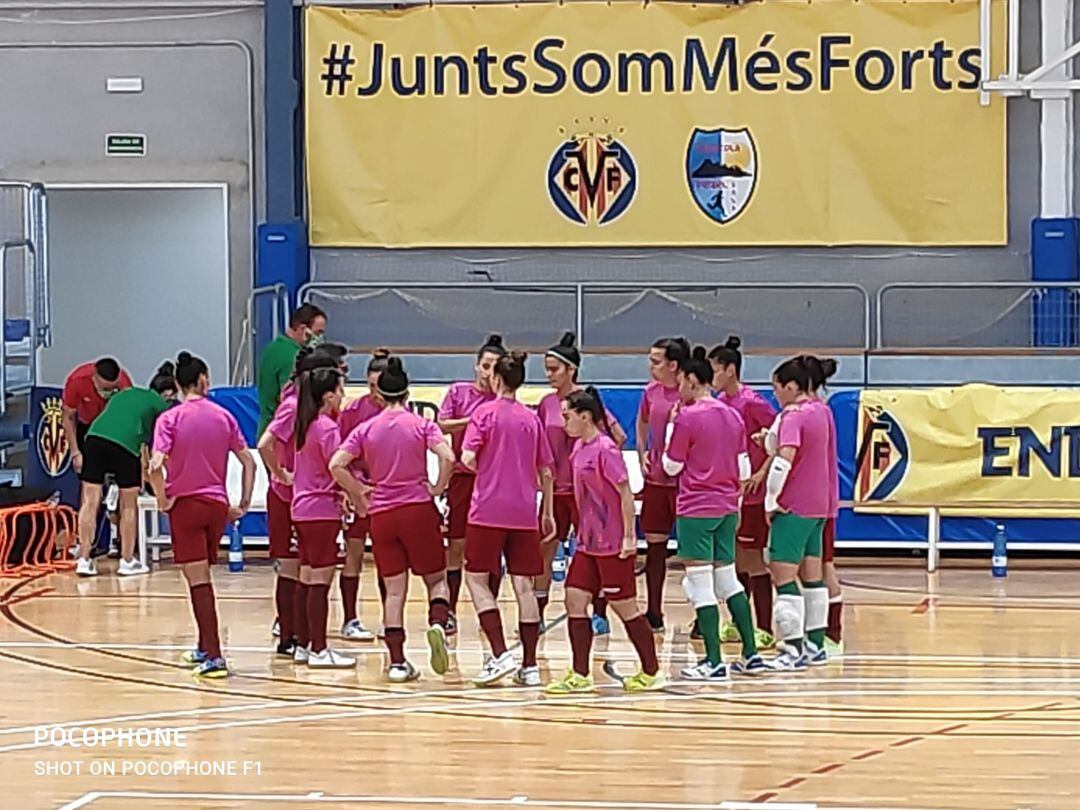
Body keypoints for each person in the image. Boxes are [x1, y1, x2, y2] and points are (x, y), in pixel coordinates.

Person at [330, 357, 456, 682]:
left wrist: (359, 492)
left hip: (382, 513)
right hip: (417, 508)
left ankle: (398, 662)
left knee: (395, 590)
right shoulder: (421, 424)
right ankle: (438, 623)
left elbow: (336, 465)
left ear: (381, 395)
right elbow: (448, 456)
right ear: (407, 392)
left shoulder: (365, 428)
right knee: (436, 580)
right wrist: (438, 487)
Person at [545, 388, 664, 695]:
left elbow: (624, 492)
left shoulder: (605, 450)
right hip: (587, 543)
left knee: (624, 607)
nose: (563, 422)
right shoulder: (578, 450)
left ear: (585, 416)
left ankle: (651, 671)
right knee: (574, 599)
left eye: (567, 415)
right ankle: (580, 673)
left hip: (612, 544)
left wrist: (628, 536)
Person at [147, 353, 254, 678]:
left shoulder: (170, 419)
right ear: (204, 379)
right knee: (202, 576)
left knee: (198, 582)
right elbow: (248, 461)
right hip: (216, 506)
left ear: (178, 385)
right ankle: (204, 646)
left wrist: (163, 498)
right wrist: (243, 503)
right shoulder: (224, 416)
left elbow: (154, 466)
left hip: (187, 507)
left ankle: (216, 655)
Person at [662, 347, 763, 680]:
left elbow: (671, 465)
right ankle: (751, 653)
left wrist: (671, 428)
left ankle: (714, 662)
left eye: (681, 382)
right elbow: (744, 466)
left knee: (700, 584)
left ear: (692, 380)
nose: (679, 389)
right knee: (728, 579)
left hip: (696, 507)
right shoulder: (732, 415)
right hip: (727, 507)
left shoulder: (687, 418)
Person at [461, 351, 556, 687]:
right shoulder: (531, 419)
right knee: (524, 586)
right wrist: (546, 511)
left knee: (475, 578)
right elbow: (546, 469)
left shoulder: (483, 414)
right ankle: (529, 665)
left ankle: (500, 653)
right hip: (523, 512)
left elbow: (468, 457)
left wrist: (489, 469)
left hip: (487, 509)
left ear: (496, 379)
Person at [257, 344, 349, 657]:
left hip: (302, 494)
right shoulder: (295, 406)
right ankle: (292, 634)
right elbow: (266, 443)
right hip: (293, 496)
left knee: (303, 569)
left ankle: (301, 637)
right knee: (295, 568)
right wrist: (281, 473)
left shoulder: (311, 410)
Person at [536, 332, 626, 633]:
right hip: (554, 490)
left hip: (586, 494)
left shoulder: (585, 401)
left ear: (571, 370)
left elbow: (617, 436)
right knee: (545, 550)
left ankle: (599, 613)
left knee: (592, 551)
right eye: (546, 369)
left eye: (554, 369)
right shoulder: (546, 404)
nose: (549, 375)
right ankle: (536, 613)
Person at [763, 355, 836, 671]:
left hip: (793, 505)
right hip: (819, 506)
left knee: (782, 575)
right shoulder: (823, 410)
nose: (775, 395)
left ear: (791, 386)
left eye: (777, 388)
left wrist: (770, 498)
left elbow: (783, 461)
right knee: (813, 575)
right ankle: (815, 644)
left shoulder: (793, 415)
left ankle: (790, 648)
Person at [74, 364, 177, 577]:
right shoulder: (162, 407)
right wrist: (159, 492)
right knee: (128, 505)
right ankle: (128, 560)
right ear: (169, 394)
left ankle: (84, 559)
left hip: (93, 438)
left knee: (90, 501)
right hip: (125, 445)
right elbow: (153, 453)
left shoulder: (126, 392)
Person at [710, 336, 778, 650]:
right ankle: (741, 622)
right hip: (729, 493)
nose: (712, 377)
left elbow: (778, 443)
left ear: (731, 370)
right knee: (735, 560)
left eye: (715, 370)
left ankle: (764, 627)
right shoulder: (721, 404)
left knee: (752, 560)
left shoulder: (754, 403)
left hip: (753, 494)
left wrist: (761, 474)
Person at [437, 334, 504, 630]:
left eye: (495, 367)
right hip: (462, 479)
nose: (489, 372)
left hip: (492, 481)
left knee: (490, 547)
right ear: (477, 366)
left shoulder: (502, 401)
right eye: (485, 365)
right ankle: (449, 610)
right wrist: (472, 421)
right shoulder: (458, 392)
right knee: (456, 544)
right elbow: (442, 424)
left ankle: (488, 609)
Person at [291, 366, 353, 669]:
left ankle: (303, 644)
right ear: (329, 396)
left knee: (306, 575)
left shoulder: (306, 424)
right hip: (320, 510)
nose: (343, 396)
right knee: (321, 579)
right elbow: (336, 467)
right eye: (341, 390)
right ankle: (319, 648)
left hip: (301, 509)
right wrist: (357, 491)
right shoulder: (327, 428)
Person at [334, 348, 392, 642]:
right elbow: (339, 455)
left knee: (387, 558)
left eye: (379, 385)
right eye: (370, 385)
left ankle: (389, 619)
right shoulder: (353, 411)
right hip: (359, 492)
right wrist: (350, 488)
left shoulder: (398, 414)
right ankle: (349, 618)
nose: (375, 392)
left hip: (387, 494)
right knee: (353, 554)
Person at [636, 337, 690, 633]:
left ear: (673, 365)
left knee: (696, 553)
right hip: (656, 482)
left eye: (656, 361)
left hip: (686, 485)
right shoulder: (650, 392)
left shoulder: (689, 396)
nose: (650, 366)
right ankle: (654, 611)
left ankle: (701, 613)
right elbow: (642, 422)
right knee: (654, 547)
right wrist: (643, 452)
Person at [257, 303, 328, 436]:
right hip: (283, 432)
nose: (320, 338)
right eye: (318, 333)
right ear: (303, 329)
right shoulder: (292, 357)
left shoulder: (273, 348)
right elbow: (291, 395)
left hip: (268, 427)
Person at [62, 358, 133, 476]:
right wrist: (75, 452)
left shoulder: (124, 384)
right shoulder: (77, 381)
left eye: (112, 389)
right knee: (88, 471)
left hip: (113, 427)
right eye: (105, 389)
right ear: (94, 376)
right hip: (88, 425)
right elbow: (69, 417)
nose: (108, 392)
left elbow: (130, 417)